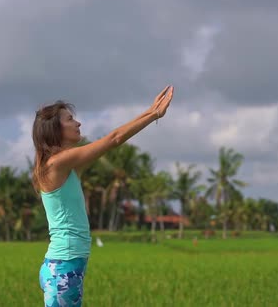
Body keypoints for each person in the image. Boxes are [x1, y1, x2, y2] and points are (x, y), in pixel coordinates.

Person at [33, 85, 174, 306]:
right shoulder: (56, 164)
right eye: (70, 119)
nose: (77, 123)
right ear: (55, 129)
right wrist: (154, 114)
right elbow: (114, 139)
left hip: (65, 265)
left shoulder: (66, 167)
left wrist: (151, 110)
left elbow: (112, 142)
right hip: (64, 266)